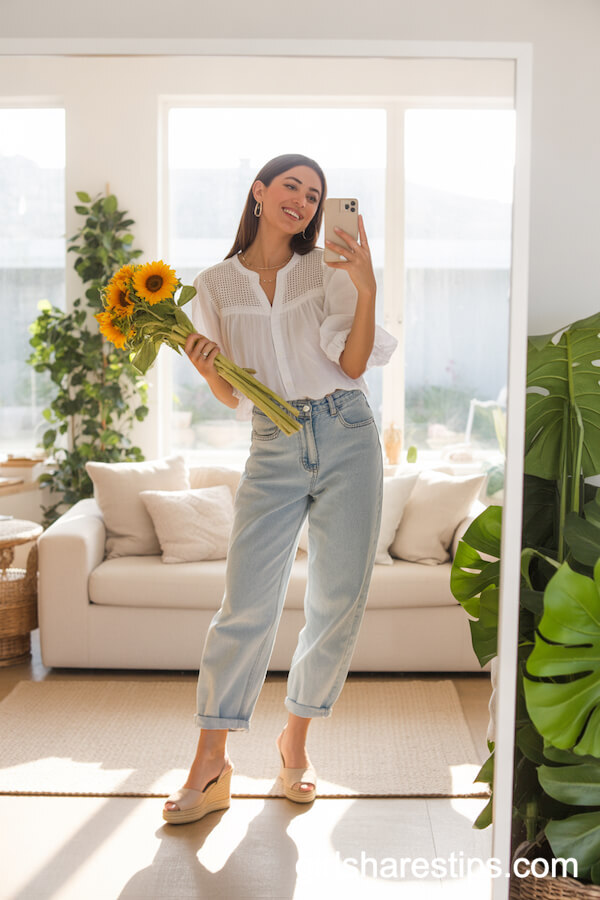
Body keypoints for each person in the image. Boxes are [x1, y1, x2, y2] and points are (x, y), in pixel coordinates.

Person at [163, 153, 397, 825]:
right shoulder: (213, 285)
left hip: (348, 431)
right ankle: (210, 764)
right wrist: (207, 369)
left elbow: (353, 364)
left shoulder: (326, 268)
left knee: (336, 599)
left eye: (314, 193)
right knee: (245, 604)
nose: (302, 199)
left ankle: (295, 743)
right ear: (260, 193)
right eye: (290, 185)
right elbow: (232, 394)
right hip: (272, 440)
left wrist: (366, 285)